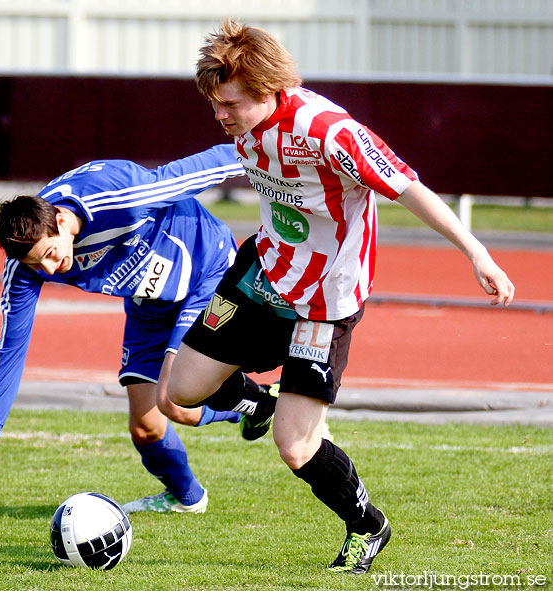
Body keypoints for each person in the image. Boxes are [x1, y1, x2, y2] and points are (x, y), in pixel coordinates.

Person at [166, 19, 515, 575]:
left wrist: (477, 252)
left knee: (295, 447)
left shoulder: (329, 131)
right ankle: (258, 401)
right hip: (262, 275)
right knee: (178, 393)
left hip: (324, 302)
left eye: (229, 104)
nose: (220, 116)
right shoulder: (245, 127)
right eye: (214, 104)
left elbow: (408, 187)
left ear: (267, 88)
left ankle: (367, 525)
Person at [0, 144, 257, 514]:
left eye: (51, 255)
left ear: (61, 222)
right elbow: (10, 349)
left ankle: (257, 403)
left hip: (206, 266)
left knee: (173, 400)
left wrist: (270, 153)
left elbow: (208, 165)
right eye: (38, 265)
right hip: (148, 300)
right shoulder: (25, 268)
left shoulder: (120, 196)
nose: (51, 271)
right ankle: (188, 498)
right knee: (145, 426)